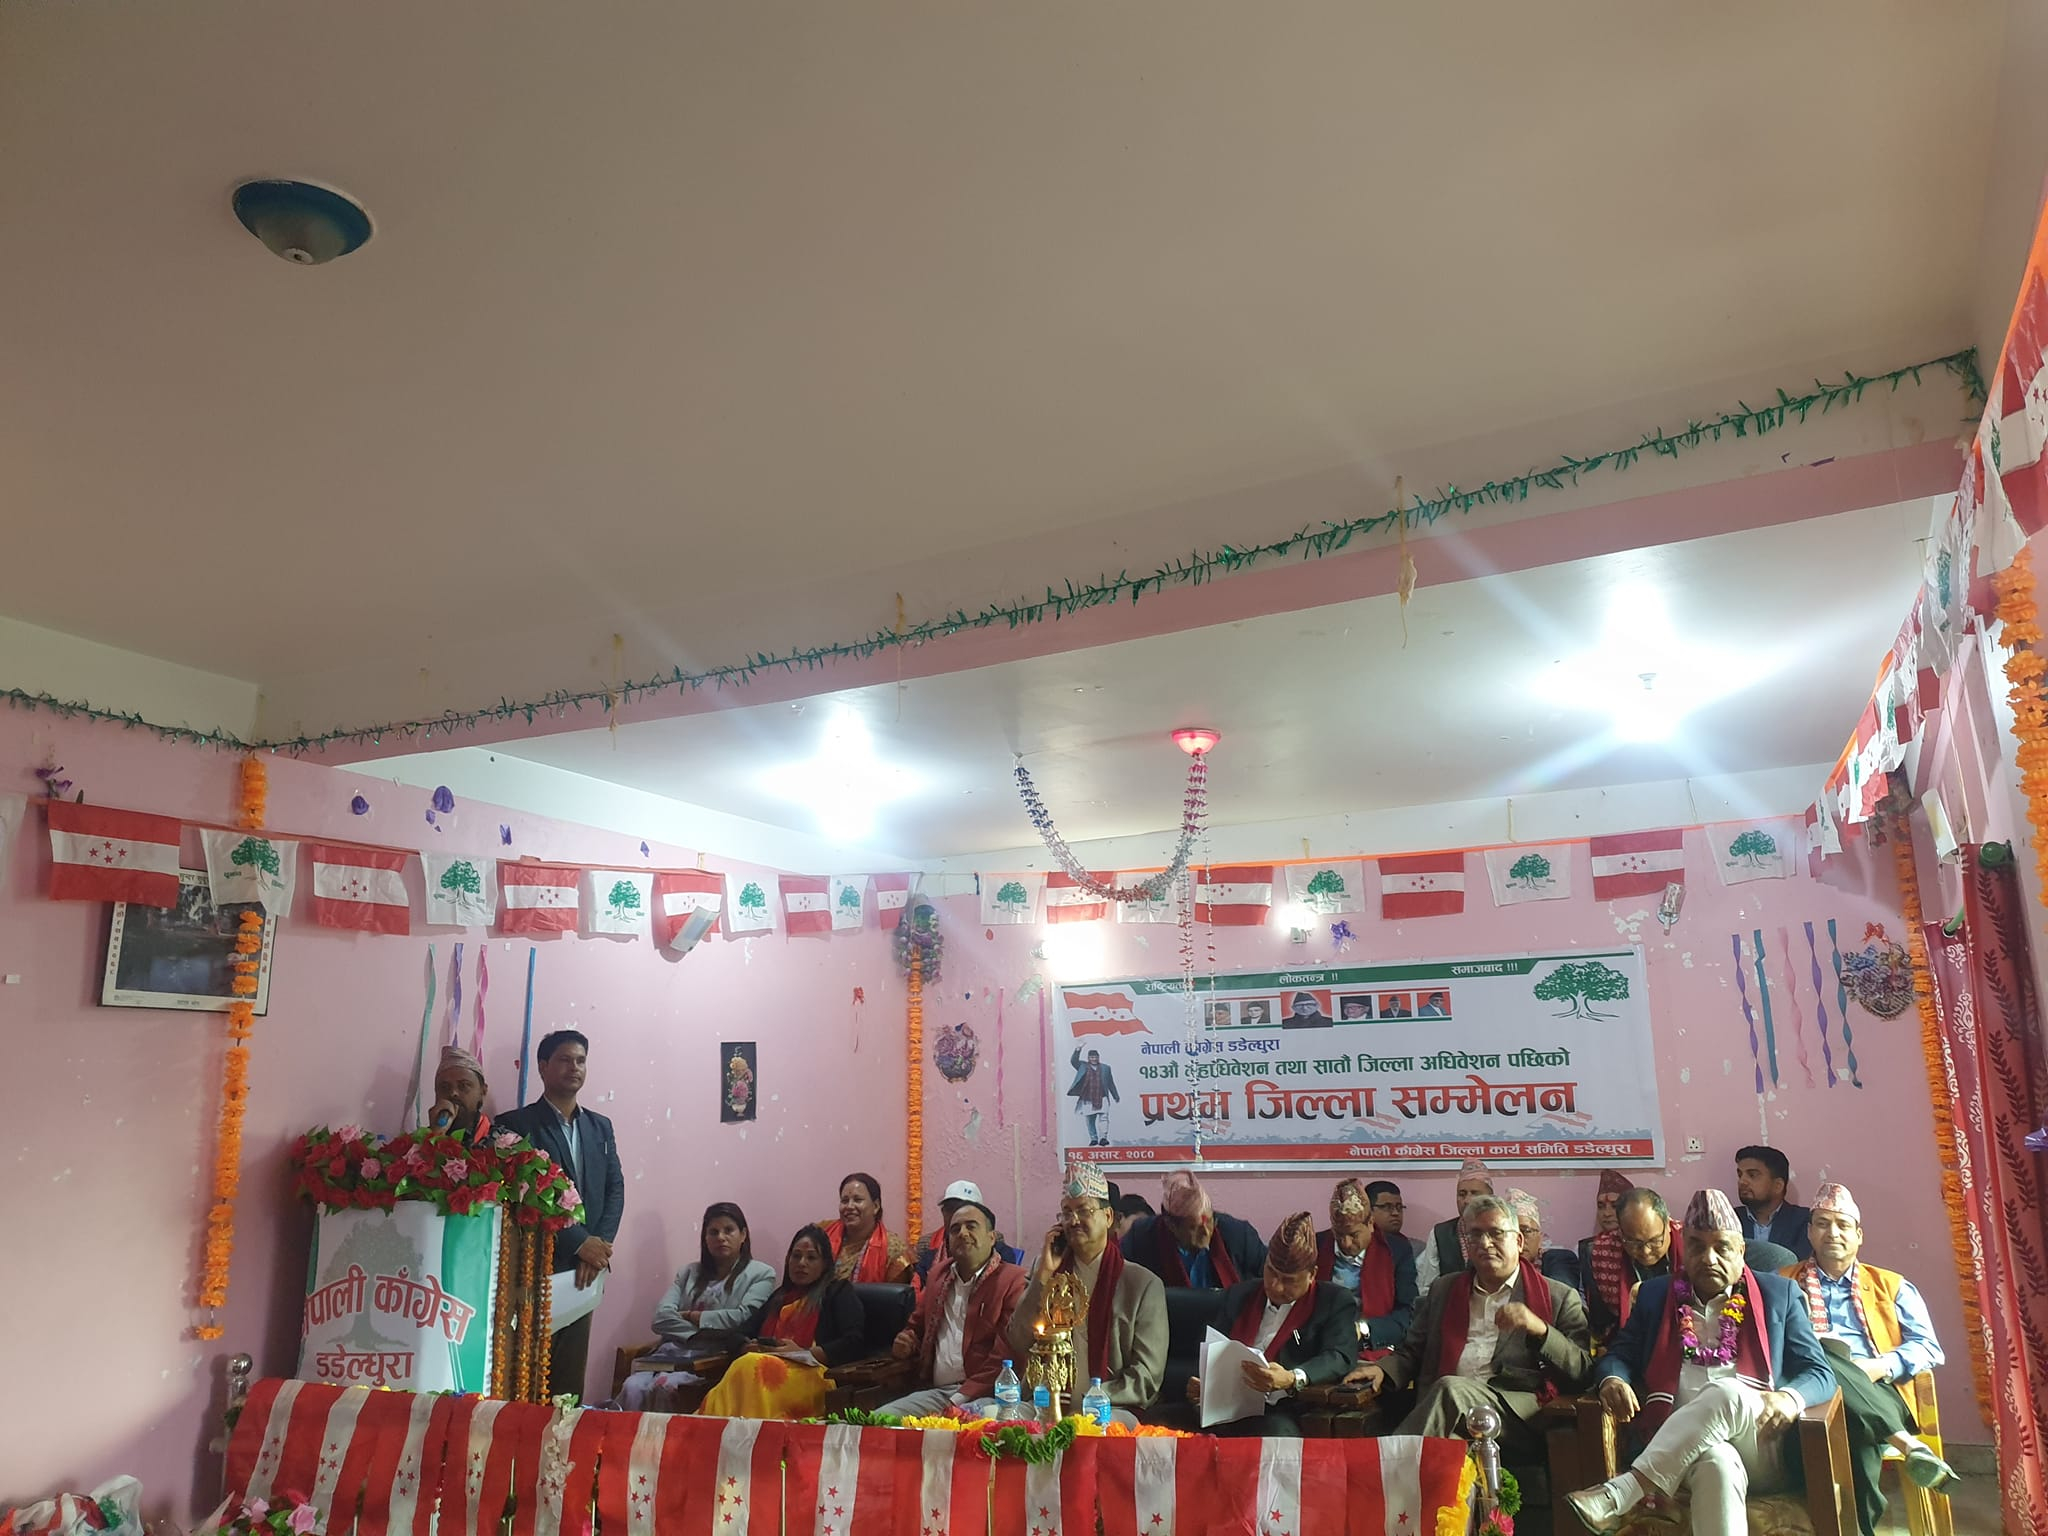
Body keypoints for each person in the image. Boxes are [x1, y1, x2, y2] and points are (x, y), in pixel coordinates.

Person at [1565, 1190, 1834, 1536]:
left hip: (1760, 1444)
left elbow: (1820, 1372)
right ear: (1683, 1247)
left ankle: (1626, 1490)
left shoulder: (1778, 1295)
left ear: (1741, 1251)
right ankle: (1630, 1489)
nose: (1708, 1258)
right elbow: (1618, 1355)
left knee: (1728, 1393)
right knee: (1717, 1461)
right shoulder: (1655, 1295)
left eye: (1722, 1247)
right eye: (1696, 1246)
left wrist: (1789, 1398)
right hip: (1675, 1448)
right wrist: (1613, 1380)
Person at [1346, 1194, 1591, 1456]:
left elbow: (1583, 1370)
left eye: (1496, 1233)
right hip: (1447, 1412)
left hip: (1515, 1414)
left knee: (1451, 1389)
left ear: (1518, 1241)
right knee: (1447, 1447)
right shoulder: (1444, 1290)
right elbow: (1412, 1352)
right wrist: (1382, 1370)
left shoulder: (1558, 1296)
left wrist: (1540, 1330)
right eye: (1475, 1235)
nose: (1485, 1243)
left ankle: (1388, 1466)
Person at [1780, 1183, 1958, 1533]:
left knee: (1836, 1395)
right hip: (1810, 1392)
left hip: (1880, 1389)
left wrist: (1880, 1366)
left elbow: (1928, 1346)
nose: (1833, 1233)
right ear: (1809, 1232)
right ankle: (1906, 1445)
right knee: (1821, 1358)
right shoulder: (1783, 1282)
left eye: (1842, 1225)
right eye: (1822, 1224)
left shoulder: (1892, 1285)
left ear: (1859, 1235)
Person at [493, 1029, 625, 1400]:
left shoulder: (600, 1126)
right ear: (543, 1067)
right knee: (525, 1375)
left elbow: (615, 1188)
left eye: (581, 1060)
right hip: (535, 1266)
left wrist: (598, 1247)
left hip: (586, 1271)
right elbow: (522, 1196)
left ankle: (565, 1439)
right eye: (565, 1060)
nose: (574, 1068)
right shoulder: (515, 1126)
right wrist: (580, 1243)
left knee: (569, 1381)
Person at [1168, 1213, 1360, 1436]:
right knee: (1156, 1421)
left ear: (1312, 1275)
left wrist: (1292, 1378)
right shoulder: (1241, 1294)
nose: (1276, 1286)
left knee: (1275, 1433)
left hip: (1281, 1408)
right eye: (1271, 1273)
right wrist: (1204, 1385)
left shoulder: (1333, 1301)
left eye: (1288, 1280)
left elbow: (1339, 1356)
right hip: (1224, 1405)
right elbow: (1214, 1349)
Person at [1009, 1161, 1167, 1421]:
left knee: (1113, 1428)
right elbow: (1018, 1340)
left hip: (1109, 1407)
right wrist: (1043, 1277)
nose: (1073, 1221)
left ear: (1108, 1217)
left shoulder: (1142, 1284)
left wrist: (1091, 1399)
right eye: (1066, 1213)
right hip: (1045, 1402)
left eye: (1084, 1211)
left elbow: (1146, 1378)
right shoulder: (1045, 1270)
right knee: (1000, 1420)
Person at [614, 1201, 777, 1412]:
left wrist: (692, 1316)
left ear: (743, 1235)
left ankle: (665, 1436)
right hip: (671, 1355)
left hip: (714, 1360)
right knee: (632, 1386)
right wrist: (703, 1332)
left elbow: (741, 1318)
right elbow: (660, 1318)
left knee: (667, 1387)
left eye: (729, 1230)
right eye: (713, 1232)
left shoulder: (761, 1274)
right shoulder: (688, 1273)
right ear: (705, 1239)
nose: (721, 1237)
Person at [879, 1191, 1029, 1416]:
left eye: (971, 1226)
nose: (963, 1233)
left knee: (977, 1424)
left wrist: (957, 1402)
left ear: (991, 1238)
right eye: (955, 1229)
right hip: (937, 1393)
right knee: (879, 1419)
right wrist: (905, 1341)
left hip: (989, 1395)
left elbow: (1006, 1357)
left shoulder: (1013, 1281)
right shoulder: (938, 1276)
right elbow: (915, 1327)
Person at [701, 1225, 866, 1420]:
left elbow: (854, 1342)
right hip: (764, 1369)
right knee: (749, 1363)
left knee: (751, 1365)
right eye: (796, 1256)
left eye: (811, 1257)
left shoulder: (838, 1292)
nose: (801, 1263)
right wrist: (747, 1346)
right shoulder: (780, 1297)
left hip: (814, 1376)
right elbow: (737, 1333)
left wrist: (803, 1353)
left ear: (824, 1264)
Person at [1121, 1170, 1267, 1289]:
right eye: (1194, 1227)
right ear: (1171, 1226)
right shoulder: (1141, 1238)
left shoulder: (1240, 1235)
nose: (1207, 1232)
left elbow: (1270, 1278)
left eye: (1210, 1221)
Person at [1317, 1178, 1417, 1351]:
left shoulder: (1397, 1250)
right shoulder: (1317, 1246)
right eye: (1339, 1235)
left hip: (1371, 1341)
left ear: (1370, 1224)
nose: (1346, 1243)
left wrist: (1364, 1330)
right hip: (1320, 1339)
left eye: (1354, 1235)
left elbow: (1408, 1311)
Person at [1585, 1188, 1674, 1347]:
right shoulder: (1602, 1253)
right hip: (1628, 1342)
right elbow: (1602, 1323)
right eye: (1634, 1243)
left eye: (1654, 1241)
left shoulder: (1690, 1247)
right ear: (1620, 1233)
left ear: (1667, 1225)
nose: (1646, 1251)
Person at [913, 1178, 1023, 1285]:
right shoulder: (928, 1251)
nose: (957, 1214)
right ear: (943, 1213)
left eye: (965, 1209)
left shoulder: (1002, 1255)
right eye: (951, 1208)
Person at [819, 1171, 913, 1283]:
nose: (849, 1206)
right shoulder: (823, 1233)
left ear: (876, 1206)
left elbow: (897, 1293)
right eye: (844, 1201)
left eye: (857, 1200)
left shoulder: (893, 1250)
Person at [1414, 1158, 1493, 1291]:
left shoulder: (1501, 1231)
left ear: (1490, 1198)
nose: (1467, 1200)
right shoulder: (1441, 1233)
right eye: (1462, 1194)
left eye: (1475, 1193)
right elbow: (1427, 1287)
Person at [1733, 1145, 1813, 1260]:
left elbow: (1799, 1264)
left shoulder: (1804, 1221)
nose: (1742, 1182)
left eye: (1752, 1175)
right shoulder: (1731, 1220)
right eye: (1740, 1175)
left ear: (1778, 1186)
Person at [1507, 1187, 1582, 1292]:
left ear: (1540, 1238)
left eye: (1526, 1231)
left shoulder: (1558, 1260)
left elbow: (1560, 1296)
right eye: (1512, 1232)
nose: (1519, 1240)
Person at [428, 1044, 492, 1139]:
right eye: (445, 1087)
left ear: (483, 1092)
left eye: (464, 1085)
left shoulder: (506, 1143)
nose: (453, 1093)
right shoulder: (414, 1143)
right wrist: (436, 1134)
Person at [1067, 1047, 1120, 1147]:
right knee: (1090, 1119)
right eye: (1092, 1057)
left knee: (1104, 1117)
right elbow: (1073, 1061)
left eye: (1095, 1057)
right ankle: (1094, 1139)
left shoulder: (1105, 1068)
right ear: (1088, 1058)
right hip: (1088, 1097)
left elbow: (1110, 1083)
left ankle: (1103, 1138)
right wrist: (1078, 1049)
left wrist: (1115, 1095)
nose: (1094, 1059)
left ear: (1098, 1057)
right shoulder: (1082, 1066)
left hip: (1102, 1096)